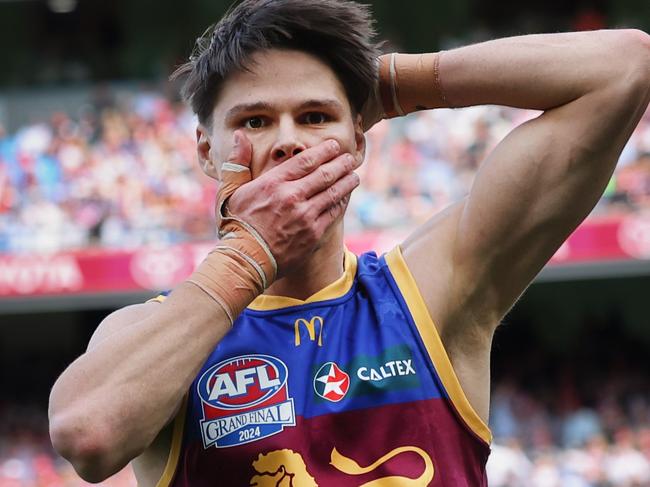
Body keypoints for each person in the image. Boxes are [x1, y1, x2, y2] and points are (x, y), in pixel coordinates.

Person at [48, 0, 650, 485]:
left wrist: (386, 83)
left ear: (358, 142)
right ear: (207, 151)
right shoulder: (151, 334)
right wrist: (247, 255)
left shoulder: (429, 291)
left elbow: (623, 68)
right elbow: (87, 436)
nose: (289, 143)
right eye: (254, 121)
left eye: (316, 117)